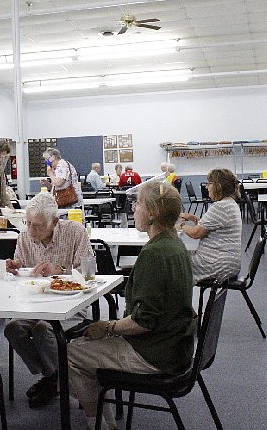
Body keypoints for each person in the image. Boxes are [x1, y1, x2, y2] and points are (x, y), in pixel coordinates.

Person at [68, 180, 195, 430]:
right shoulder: (175, 244)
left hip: (155, 354)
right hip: (177, 346)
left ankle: (100, 423)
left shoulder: (154, 254)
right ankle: (104, 417)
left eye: (137, 204)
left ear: (152, 213)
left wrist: (107, 327)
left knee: (70, 353)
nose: (133, 208)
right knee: (88, 348)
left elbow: (143, 321)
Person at [4, 193, 93, 408]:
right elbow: (23, 271)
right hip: (35, 304)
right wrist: (16, 267)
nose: (31, 231)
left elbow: (90, 274)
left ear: (54, 221)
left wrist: (61, 272)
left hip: (71, 306)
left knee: (44, 330)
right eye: (28, 223)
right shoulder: (24, 236)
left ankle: (56, 380)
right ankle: (55, 377)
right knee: (13, 328)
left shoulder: (75, 232)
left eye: (38, 226)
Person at [179, 168, 242, 282]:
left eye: (209, 183)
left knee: (172, 263)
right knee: (177, 257)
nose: (207, 187)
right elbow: (211, 227)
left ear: (218, 186)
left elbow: (195, 233)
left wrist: (180, 225)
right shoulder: (230, 204)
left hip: (217, 263)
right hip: (227, 262)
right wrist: (195, 219)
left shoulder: (221, 207)